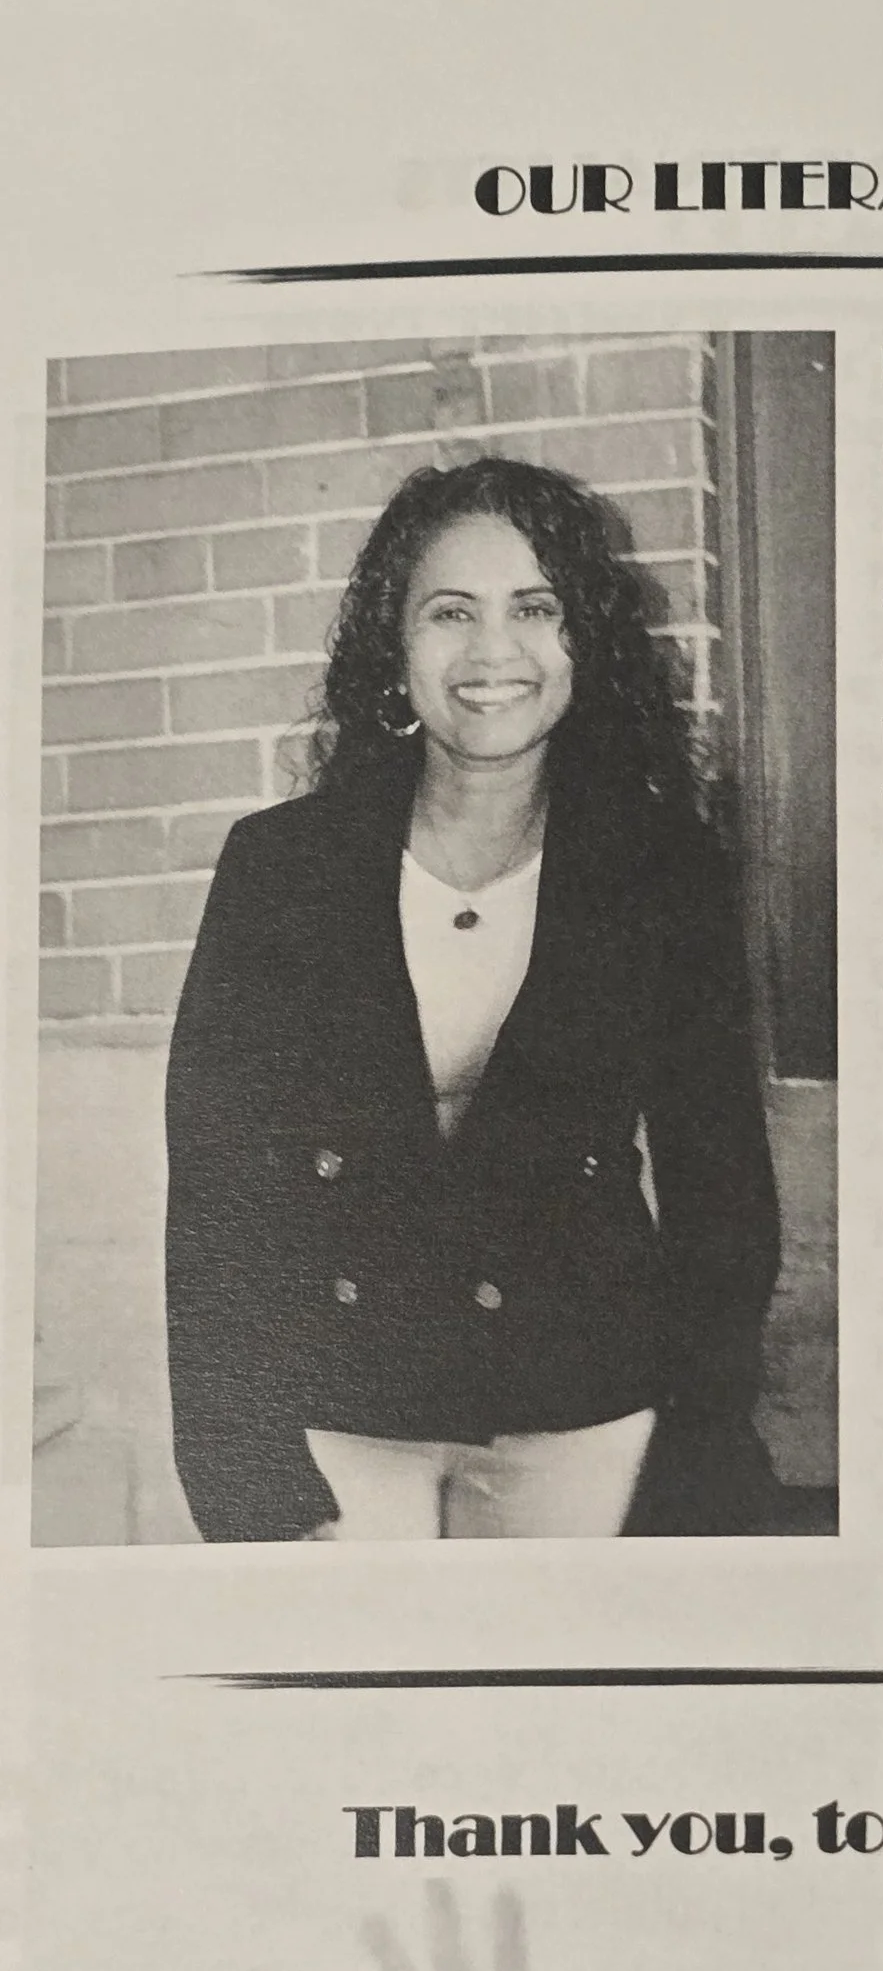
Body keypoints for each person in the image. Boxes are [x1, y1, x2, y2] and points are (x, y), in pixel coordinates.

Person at [163, 455, 782, 1541]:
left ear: (581, 642)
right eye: (450, 612)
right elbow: (217, 1193)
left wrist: (699, 1443)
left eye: (534, 609)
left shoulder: (660, 872)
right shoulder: (281, 869)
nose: (493, 651)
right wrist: (244, 1465)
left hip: (583, 1418)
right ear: (394, 652)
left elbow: (720, 1194)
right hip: (340, 1414)